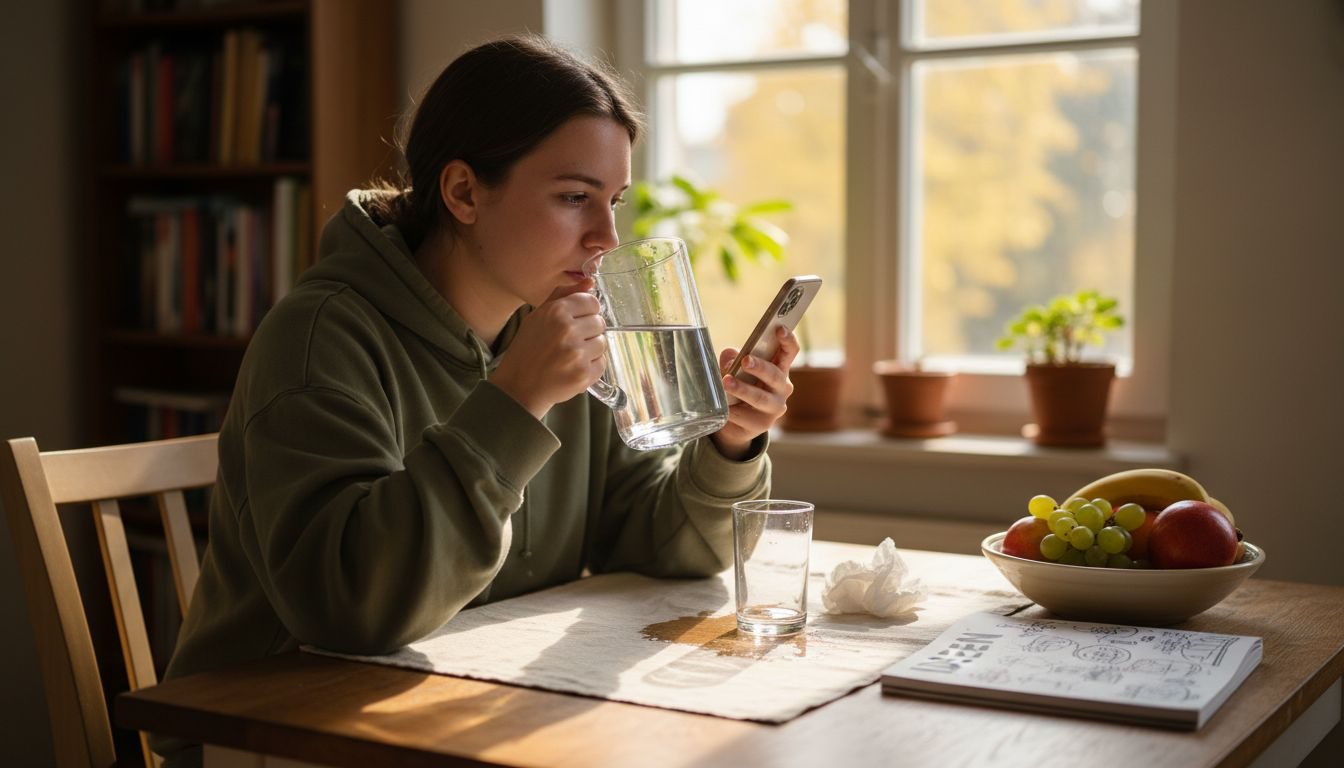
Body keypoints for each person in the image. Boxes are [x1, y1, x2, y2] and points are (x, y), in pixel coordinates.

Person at [154, 34, 798, 765]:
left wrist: (728, 445)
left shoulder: (553, 327)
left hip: (452, 719)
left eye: (613, 201)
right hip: (272, 738)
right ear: (463, 193)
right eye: (573, 197)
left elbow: (666, 545)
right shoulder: (321, 336)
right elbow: (353, 609)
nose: (606, 237)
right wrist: (514, 401)